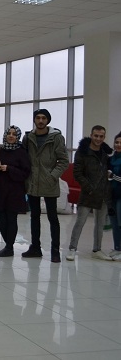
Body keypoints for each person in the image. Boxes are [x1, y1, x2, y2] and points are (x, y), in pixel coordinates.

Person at [23, 108, 68, 263]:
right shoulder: (28, 137)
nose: (40, 120)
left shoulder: (56, 137)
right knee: (34, 216)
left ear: (48, 120)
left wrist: (52, 176)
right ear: (34, 120)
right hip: (33, 182)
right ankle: (35, 247)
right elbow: (24, 158)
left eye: (43, 118)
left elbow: (63, 160)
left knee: (52, 217)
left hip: (49, 182)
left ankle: (55, 251)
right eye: (38, 118)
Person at [66, 125, 114, 261]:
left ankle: (97, 249)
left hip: (103, 194)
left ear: (104, 137)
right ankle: (72, 249)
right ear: (91, 135)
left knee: (100, 224)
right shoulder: (82, 152)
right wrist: (89, 188)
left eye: (101, 136)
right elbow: (77, 173)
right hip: (88, 194)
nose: (98, 139)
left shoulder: (105, 153)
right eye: (96, 136)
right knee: (80, 222)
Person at [0, 126, 31, 257]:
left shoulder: (21, 152)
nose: (11, 136)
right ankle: (7, 243)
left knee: (11, 218)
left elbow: (25, 172)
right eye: (9, 133)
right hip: (0, 189)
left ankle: (9, 246)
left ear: (17, 137)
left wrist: (9, 168)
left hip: (14, 190)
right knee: (1, 217)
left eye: (14, 134)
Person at [110, 132, 121, 260]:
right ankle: (117, 247)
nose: (118, 145)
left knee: (120, 223)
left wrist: (113, 176)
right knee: (114, 223)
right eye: (117, 142)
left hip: (120, 195)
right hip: (111, 194)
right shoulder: (111, 159)